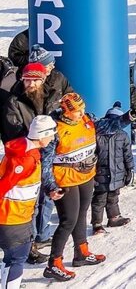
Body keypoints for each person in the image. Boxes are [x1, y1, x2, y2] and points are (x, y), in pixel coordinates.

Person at [46, 92, 103, 280]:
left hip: (86, 175)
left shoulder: (86, 120)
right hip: (65, 180)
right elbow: (45, 162)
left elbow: (106, 126)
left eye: (83, 109)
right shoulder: (55, 129)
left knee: (81, 213)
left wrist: (129, 117)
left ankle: (81, 252)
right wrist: (50, 186)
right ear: (66, 111)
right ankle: (54, 263)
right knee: (68, 220)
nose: (82, 113)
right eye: (78, 111)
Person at [0, 116, 56, 288]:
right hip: (13, 217)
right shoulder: (25, 159)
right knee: (17, 257)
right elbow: (4, 184)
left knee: (11, 257)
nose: (52, 138)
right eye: (51, 134)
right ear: (41, 135)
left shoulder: (24, 148)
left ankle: (7, 283)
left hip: (14, 214)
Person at [91, 105, 132, 234]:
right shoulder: (97, 134)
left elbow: (127, 155)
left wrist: (130, 170)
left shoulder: (123, 136)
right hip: (101, 173)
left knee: (113, 196)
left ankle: (114, 217)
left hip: (117, 172)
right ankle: (97, 224)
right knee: (99, 198)